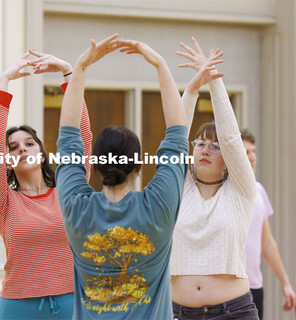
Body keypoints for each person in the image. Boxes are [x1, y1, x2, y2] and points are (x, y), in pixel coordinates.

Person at [56, 34, 198, 319]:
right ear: (138, 167)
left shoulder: (76, 207)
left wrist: (81, 67)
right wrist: (159, 64)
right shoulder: (157, 206)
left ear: (93, 165)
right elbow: (177, 134)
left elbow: (69, 138)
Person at [0, 49, 92, 319]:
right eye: (14, 147)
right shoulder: (2, 202)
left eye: (29, 144)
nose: (22, 149)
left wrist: (69, 73)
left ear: (41, 153)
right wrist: (4, 80)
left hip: (71, 303)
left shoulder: (68, 193)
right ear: (6, 160)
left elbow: (84, 139)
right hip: (17, 307)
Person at [170, 37, 259, 319]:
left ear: (228, 159)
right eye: (200, 143)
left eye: (215, 145)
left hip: (234, 312)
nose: (205, 149)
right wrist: (193, 89)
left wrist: (215, 81)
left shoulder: (241, 190)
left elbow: (232, 139)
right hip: (179, 312)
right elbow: (173, 139)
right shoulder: (178, 186)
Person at [241, 129, 296, 319]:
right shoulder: (221, 192)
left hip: (254, 289)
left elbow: (267, 243)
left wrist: (285, 283)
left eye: (253, 151)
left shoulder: (259, 191)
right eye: (246, 152)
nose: (253, 157)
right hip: (228, 291)